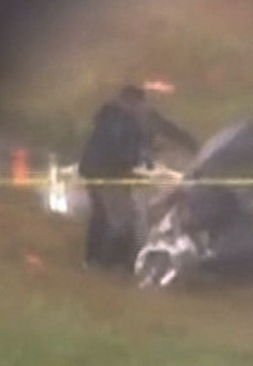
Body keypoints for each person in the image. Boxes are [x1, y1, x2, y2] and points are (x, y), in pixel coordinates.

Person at [78, 83, 198, 271]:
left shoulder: (126, 116)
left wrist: (192, 145)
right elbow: (120, 149)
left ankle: (94, 260)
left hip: (99, 171)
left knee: (102, 217)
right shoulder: (118, 119)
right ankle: (112, 263)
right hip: (107, 174)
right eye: (141, 104)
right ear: (132, 102)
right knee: (122, 220)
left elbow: (169, 129)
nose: (145, 108)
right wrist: (141, 158)